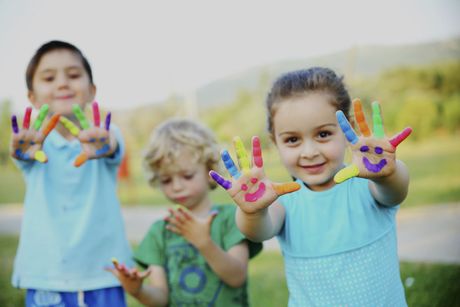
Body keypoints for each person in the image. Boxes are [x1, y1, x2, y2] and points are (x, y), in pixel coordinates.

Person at [210, 67, 412, 306]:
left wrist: (387, 174)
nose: (309, 152)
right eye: (292, 140)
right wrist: (251, 210)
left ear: (348, 131)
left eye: (323, 134)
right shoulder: (284, 204)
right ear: (275, 142)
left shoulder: (368, 187)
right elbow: (258, 230)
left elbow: (395, 190)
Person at [10, 40, 132, 307]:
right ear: (32, 97)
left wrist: (105, 144)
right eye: (49, 77)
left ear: (91, 90)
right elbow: (21, 153)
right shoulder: (33, 145)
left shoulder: (106, 138)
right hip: (46, 277)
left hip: (103, 276)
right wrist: (20, 150)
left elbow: (111, 146)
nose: (63, 83)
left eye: (74, 75)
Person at [108, 118, 262, 306]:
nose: (177, 186)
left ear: (210, 170)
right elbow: (160, 299)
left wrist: (204, 243)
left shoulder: (232, 218)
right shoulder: (160, 232)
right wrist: (138, 290)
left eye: (187, 176)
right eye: (166, 180)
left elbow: (237, 277)